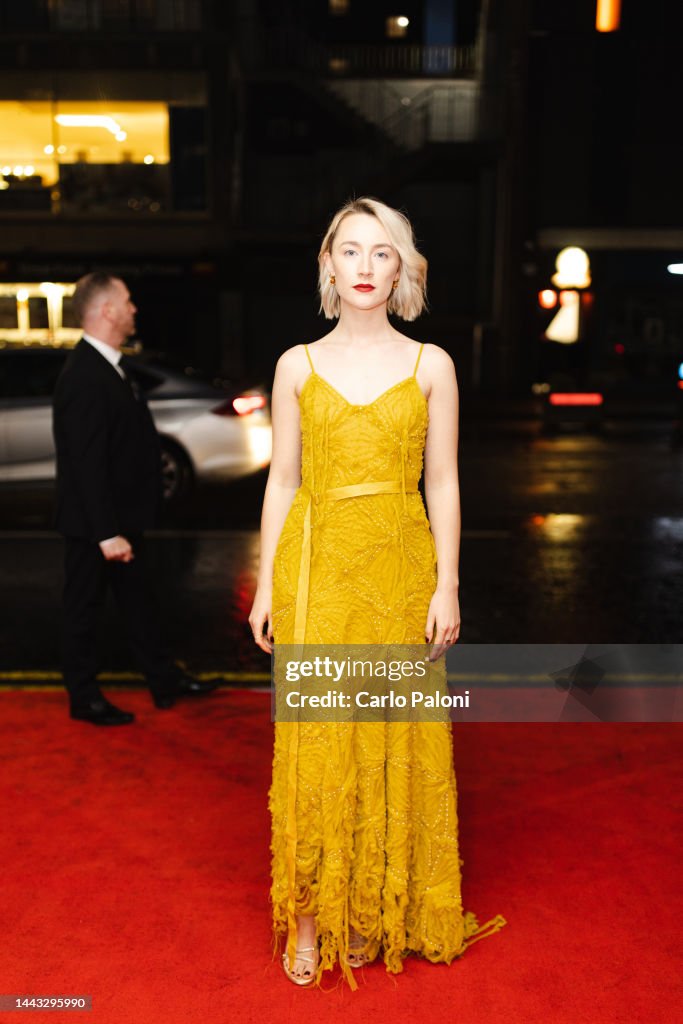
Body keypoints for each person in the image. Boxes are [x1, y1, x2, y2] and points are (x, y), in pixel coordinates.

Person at [249, 198, 507, 988]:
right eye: (350, 251)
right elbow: (283, 479)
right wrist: (265, 582)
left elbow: (445, 482)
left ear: (402, 270)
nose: (364, 267)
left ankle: (369, 909)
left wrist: (449, 584)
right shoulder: (297, 363)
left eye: (381, 253)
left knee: (388, 738)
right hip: (316, 570)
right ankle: (309, 916)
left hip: (400, 570)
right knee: (320, 742)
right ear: (327, 264)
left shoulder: (432, 364)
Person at [52, 272, 217, 725]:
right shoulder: (85, 374)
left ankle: (163, 679)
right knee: (83, 610)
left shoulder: (109, 365)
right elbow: (84, 463)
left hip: (118, 518)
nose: (134, 309)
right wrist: (107, 533)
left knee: (140, 602)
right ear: (106, 310)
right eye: (127, 301)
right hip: (96, 525)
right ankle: (83, 698)